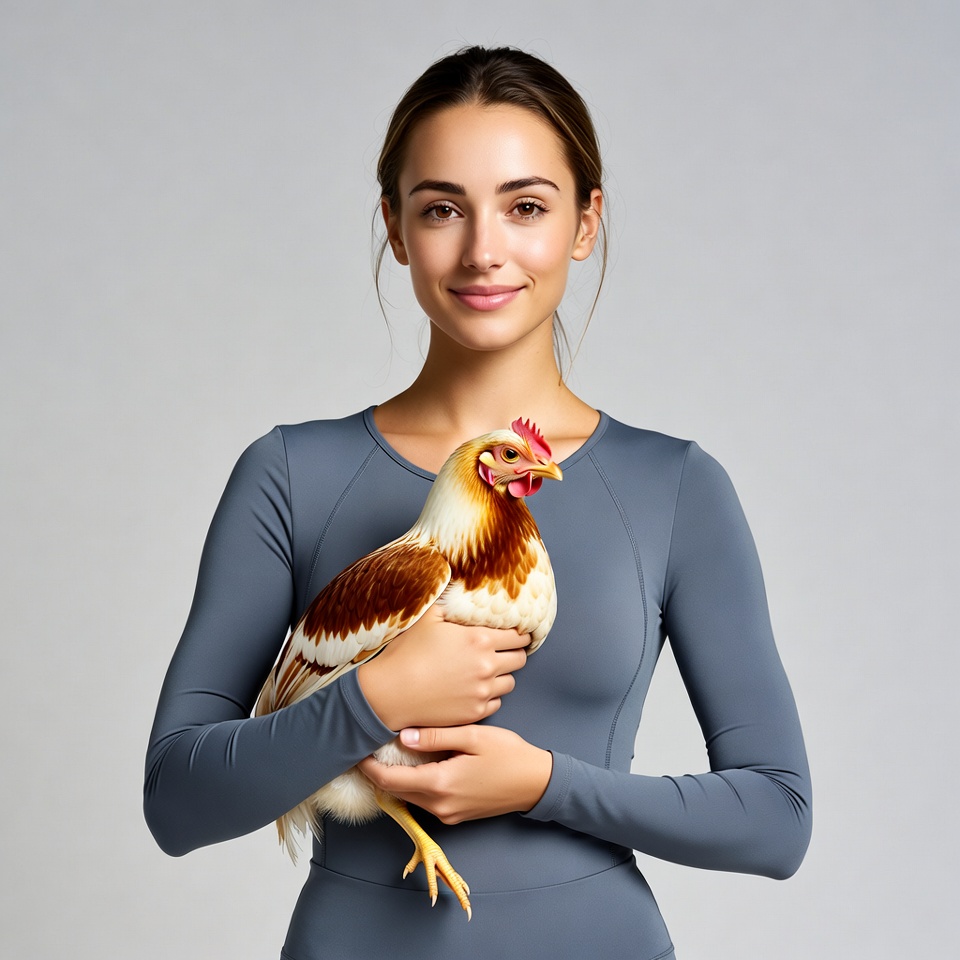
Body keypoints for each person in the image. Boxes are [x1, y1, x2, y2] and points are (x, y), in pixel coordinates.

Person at [144, 46, 811, 960]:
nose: (483, 250)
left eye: (527, 206)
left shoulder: (675, 488)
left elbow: (777, 819)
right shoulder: (293, 473)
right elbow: (177, 802)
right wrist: (374, 697)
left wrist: (542, 782)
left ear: (586, 223)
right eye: (442, 208)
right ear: (394, 225)